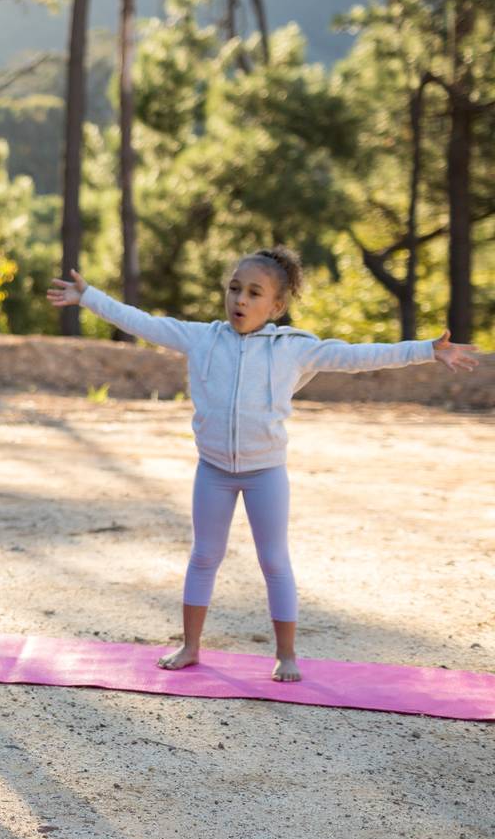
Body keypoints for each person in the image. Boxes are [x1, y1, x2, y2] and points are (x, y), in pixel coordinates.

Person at [48, 248, 480, 681]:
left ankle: (286, 655)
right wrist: (89, 297)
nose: (240, 299)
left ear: (276, 307)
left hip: (265, 473)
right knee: (204, 556)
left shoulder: (293, 349)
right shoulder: (202, 338)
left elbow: (359, 356)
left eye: (254, 293)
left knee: (274, 560)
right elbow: (142, 322)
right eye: (235, 288)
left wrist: (426, 350)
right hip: (213, 470)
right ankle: (190, 646)